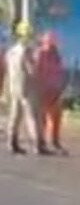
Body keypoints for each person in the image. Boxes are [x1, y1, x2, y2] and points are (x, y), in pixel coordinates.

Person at [5, 21, 48, 155]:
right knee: (32, 116)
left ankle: (12, 142)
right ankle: (37, 145)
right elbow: (32, 70)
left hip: (14, 86)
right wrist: (37, 56)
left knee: (15, 115)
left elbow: (8, 70)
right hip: (27, 87)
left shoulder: (10, 51)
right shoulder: (27, 51)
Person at [35, 30, 66, 154]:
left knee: (57, 117)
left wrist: (60, 87)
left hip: (55, 90)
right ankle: (40, 143)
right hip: (42, 91)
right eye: (49, 41)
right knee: (42, 118)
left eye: (54, 41)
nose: (52, 43)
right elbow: (36, 72)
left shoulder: (57, 55)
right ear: (44, 41)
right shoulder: (40, 53)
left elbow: (60, 72)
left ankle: (55, 141)